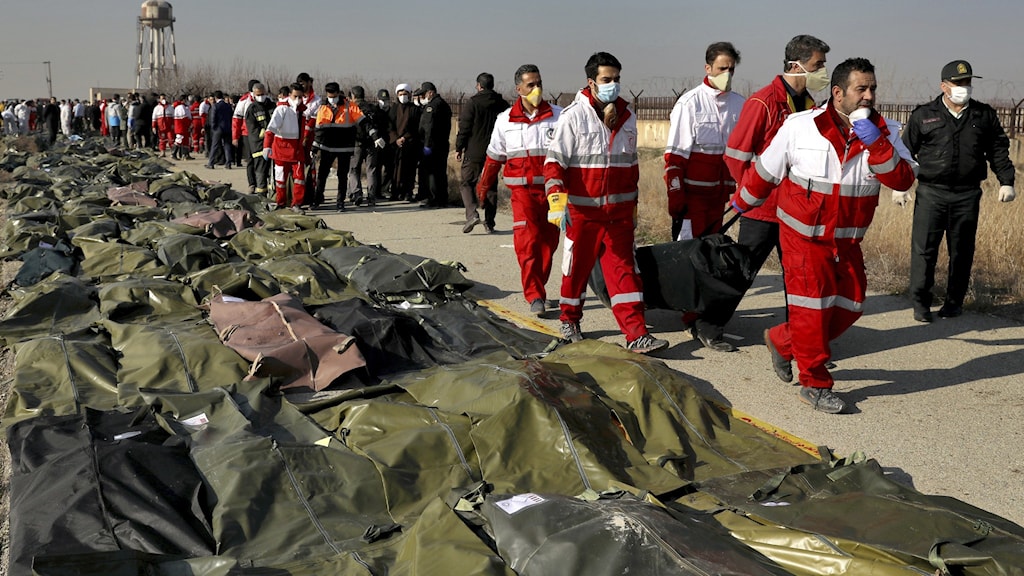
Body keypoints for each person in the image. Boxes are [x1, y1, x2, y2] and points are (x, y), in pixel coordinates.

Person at [731, 57, 917, 414]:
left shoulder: (888, 132)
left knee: (850, 306)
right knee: (812, 310)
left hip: (847, 242)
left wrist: (877, 144)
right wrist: (741, 203)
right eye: (861, 89)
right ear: (837, 93)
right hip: (803, 238)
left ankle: (782, 341)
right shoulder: (800, 127)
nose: (869, 96)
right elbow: (765, 170)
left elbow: (903, 180)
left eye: (873, 89)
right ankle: (814, 383)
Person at [544, 51, 669, 354]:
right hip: (582, 214)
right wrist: (557, 203)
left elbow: (632, 166)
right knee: (576, 271)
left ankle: (636, 334)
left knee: (625, 273)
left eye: (616, 79)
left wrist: (634, 208)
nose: (613, 84)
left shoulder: (627, 117)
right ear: (591, 82)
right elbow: (554, 164)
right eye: (606, 79)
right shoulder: (573, 117)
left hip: (619, 216)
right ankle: (569, 320)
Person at [902, 60, 1017, 323]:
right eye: (958, 83)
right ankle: (920, 303)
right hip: (931, 193)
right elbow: (905, 152)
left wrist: (1006, 181)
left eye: (967, 82)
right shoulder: (924, 115)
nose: (964, 88)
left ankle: (954, 303)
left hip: (967, 195)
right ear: (944, 86)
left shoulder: (983, 115)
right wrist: (902, 186)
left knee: (962, 250)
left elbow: (998, 149)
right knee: (924, 251)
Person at [663, 41, 746, 352]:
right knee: (689, 259)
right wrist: (676, 197)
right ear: (708, 68)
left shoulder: (739, 105)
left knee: (713, 259)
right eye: (721, 68)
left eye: (731, 69)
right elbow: (674, 158)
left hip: (720, 199)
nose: (726, 74)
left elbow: (741, 154)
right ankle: (690, 315)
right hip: (692, 200)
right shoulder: (689, 104)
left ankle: (704, 312)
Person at [477, 64, 562, 316]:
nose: (537, 89)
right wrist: (484, 186)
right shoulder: (505, 120)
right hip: (523, 194)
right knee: (527, 243)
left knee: (548, 243)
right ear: (518, 89)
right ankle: (534, 294)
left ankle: (540, 288)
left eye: (539, 83)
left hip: (553, 193)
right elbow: (494, 158)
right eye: (530, 85)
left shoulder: (559, 116)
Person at [456, 72, 510, 233]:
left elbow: (464, 127)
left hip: (474, 151)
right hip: (495, 151)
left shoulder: (473, 103)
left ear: (479, 85)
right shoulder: (503, 104)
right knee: (491, 186)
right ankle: (489, 222)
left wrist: (459, 147)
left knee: (467, 183)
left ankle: (472, 214)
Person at [311, 82, 364, 211]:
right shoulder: (323, 108)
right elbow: (319, 130)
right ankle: (317, 200)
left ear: (338, 93)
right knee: (322, 175)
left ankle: (340, 202)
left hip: (344, 147)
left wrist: (374, 135)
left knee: (342, 175)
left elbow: (362, 121)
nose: (331, 98)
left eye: (333, 95)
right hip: (327, 147)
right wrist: (315, 148)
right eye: (329, 96)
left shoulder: (349, 106)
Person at [263, 83, 310, 211]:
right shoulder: (281, 109)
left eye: (300, 97)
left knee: (300, 178)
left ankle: (297, 204)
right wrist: (267, 146)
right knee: (280, 178)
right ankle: (281, 202)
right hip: (281, 149)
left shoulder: (302, 111)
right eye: (295, 96)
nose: (298, 99)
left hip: (297, 150)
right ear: (289, 95)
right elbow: (270, 129)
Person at [346, 85, 389, 206]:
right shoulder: (373, 108)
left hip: (357, 143)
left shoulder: (352, 108)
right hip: (372, 143)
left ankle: (357, 193)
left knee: (354, 169)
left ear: (353, 96)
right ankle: (371, 196)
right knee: (372, 170)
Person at [417, 82, 453, 208]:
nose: (422, 97)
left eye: (423, 94)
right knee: (441, 172)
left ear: (430, 92)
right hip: (442, 143)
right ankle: (442, 198)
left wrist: (427, 145)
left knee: (432, 172)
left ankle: (433, 198)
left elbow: (428, 128)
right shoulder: (444, 104)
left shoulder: (432, 107)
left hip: (432, 145)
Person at [389, 83, 421, 202]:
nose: (403, 96)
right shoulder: (394, 108)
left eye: (405, 94)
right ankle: (395, 192)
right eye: (401, 94)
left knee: (410, 169)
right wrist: (396, 138)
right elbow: (389, 126)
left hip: (410, 144)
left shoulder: (414, 109)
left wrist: (405, 137)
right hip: (396, 145)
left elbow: (417, 127)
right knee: (396, 169)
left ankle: (408, 192)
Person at [244, 83, 274, 197]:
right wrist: (266, 133)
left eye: (263, 94)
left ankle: (273, 196)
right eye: (258, 94)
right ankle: (261, 196)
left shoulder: (272, 106)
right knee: (261, 172)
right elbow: (252, 129)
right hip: (259, 146)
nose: (261, 96)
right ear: (254, 94)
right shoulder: (252, 109)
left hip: (273, 145)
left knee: (273, 172)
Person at [233, 79, 261, 190]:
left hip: (261, 133)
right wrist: (235, 137)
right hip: (247, 134)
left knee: (261, 159)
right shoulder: (244, 101)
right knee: (250, 159)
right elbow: (236, 120)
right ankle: (252, 184)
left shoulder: (266, 99)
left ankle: (262, 182)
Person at [376, 88, 397, 198]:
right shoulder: (375, 110)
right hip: (378, 143)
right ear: (377, 100)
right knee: (377, 167)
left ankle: (385, 188)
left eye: (386, 100)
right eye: (382, 100)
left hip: (390, 143)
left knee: (389, 168)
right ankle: (376, 190)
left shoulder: (393, 110)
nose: (384, 102)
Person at [205, 91, 234, 170]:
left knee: (214, 146)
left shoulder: (215, 106)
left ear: (215, 97)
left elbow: (213, 118)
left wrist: (213, 127)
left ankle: (211, 163)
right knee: (227, 145)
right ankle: (228, 164)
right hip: (227, 128)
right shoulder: (228, 106)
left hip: (218, 128)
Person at [172, 95, 194, 159]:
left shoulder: (184, 107)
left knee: (186, 140)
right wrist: (189, 124)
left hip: (184, 126)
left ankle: (185, 154)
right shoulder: (180, 107)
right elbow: (184, 118)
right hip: (181, 126)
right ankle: (173, 153)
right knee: (179, 139)